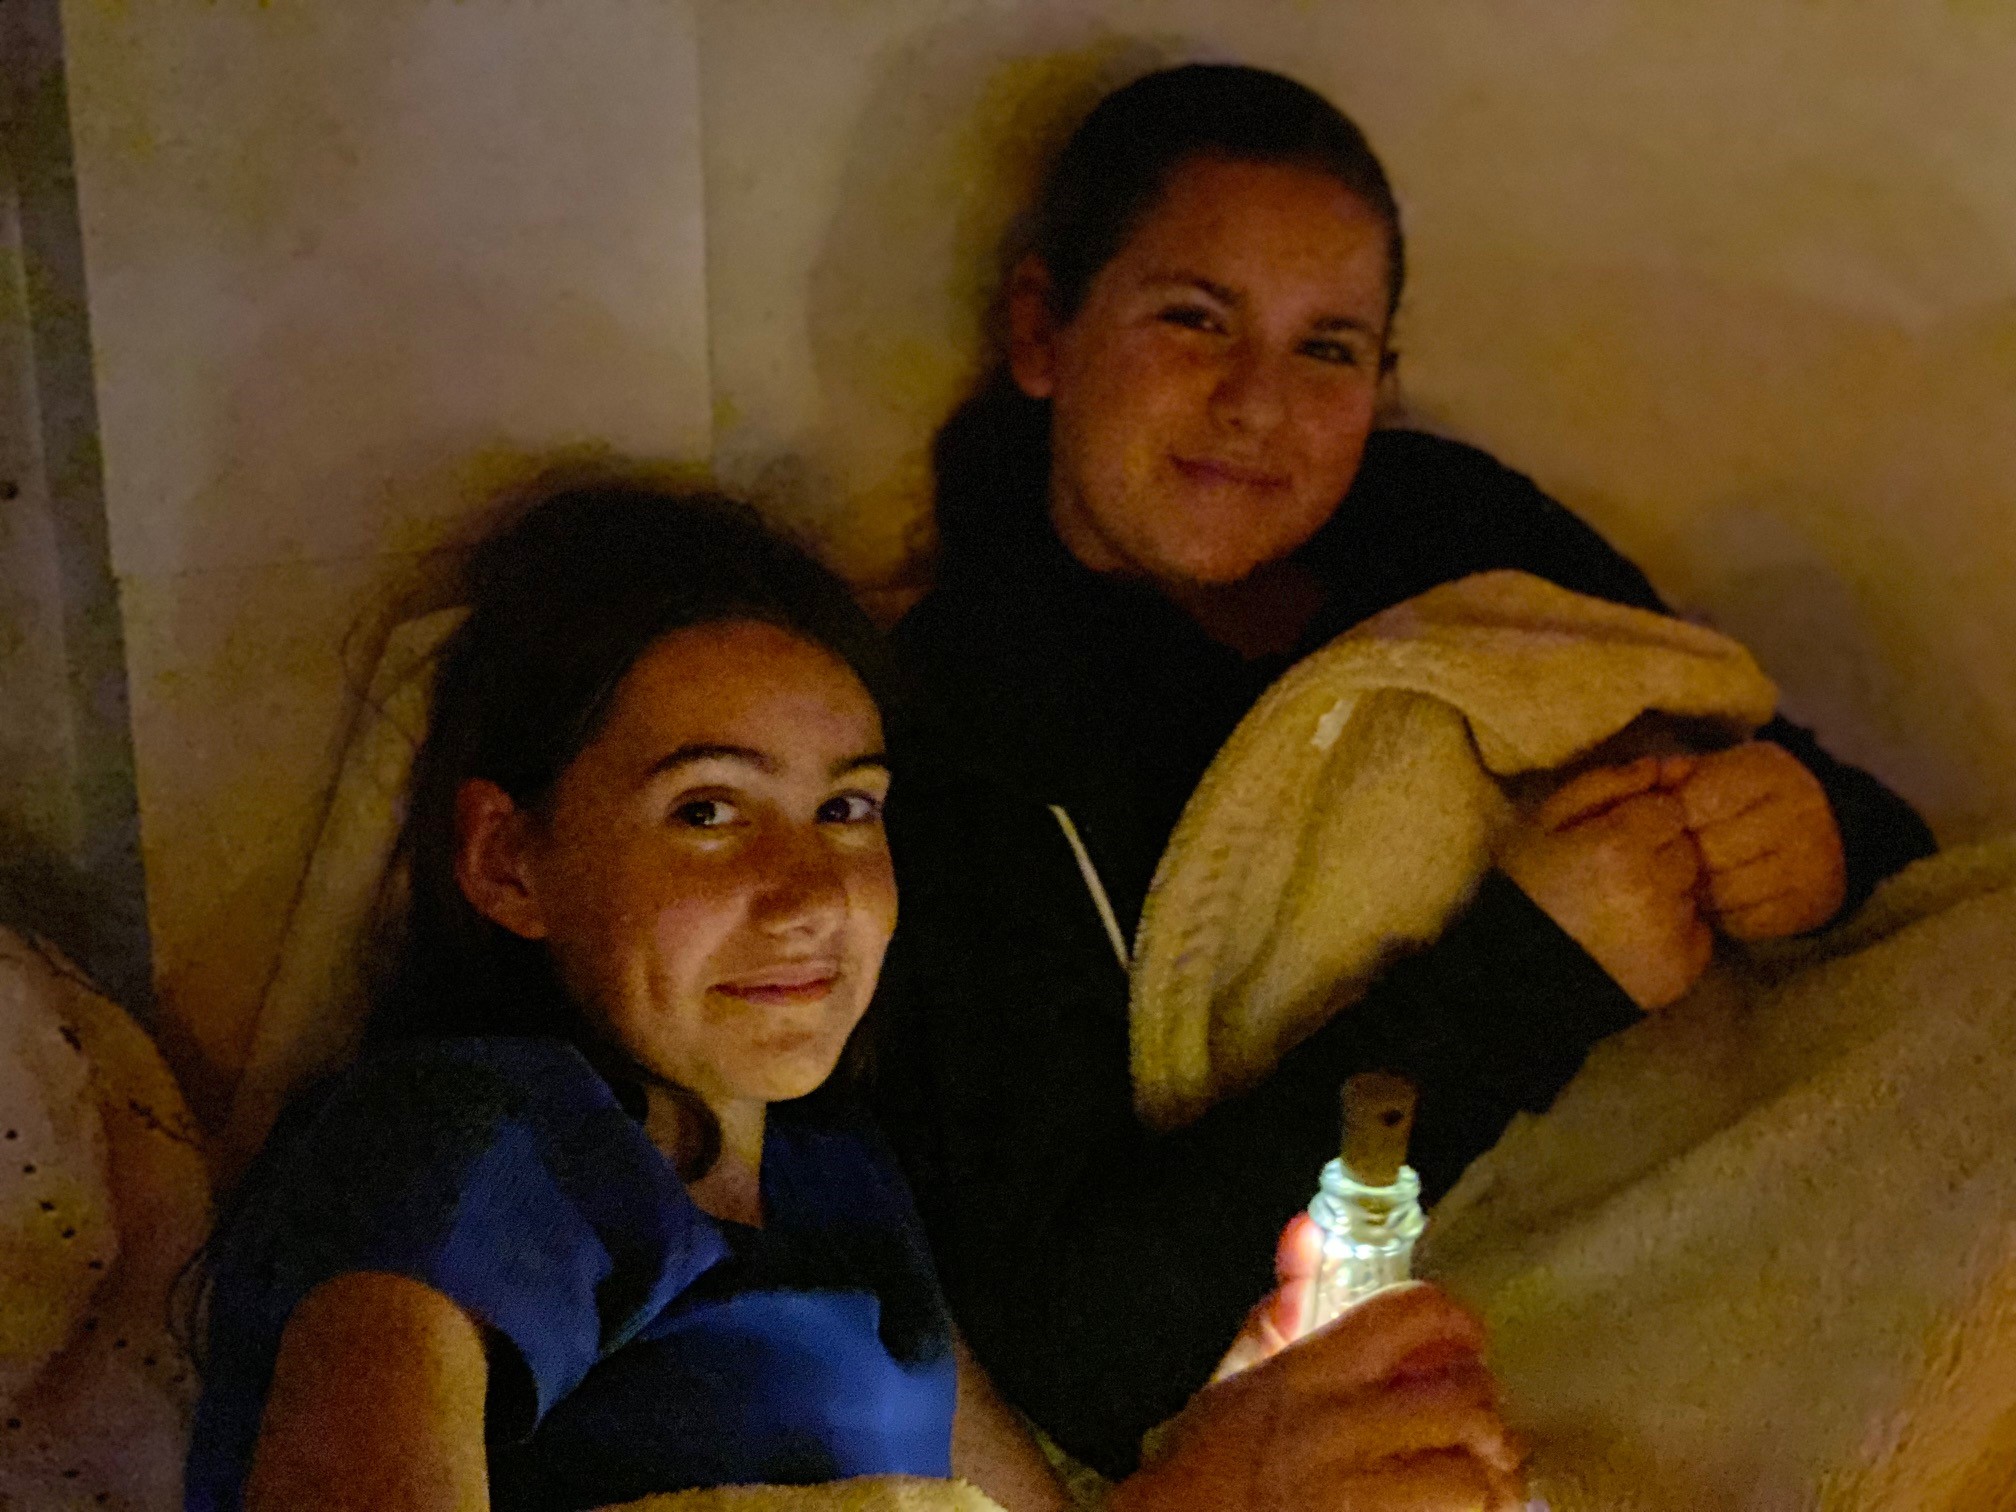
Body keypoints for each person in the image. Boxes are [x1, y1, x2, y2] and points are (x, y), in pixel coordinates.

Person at [871, 62, 1940, 1480]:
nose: (1257, 404)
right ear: (1040, 330)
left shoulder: (1451, 527)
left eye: (1328, 349)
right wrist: (1539, 965)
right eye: (1195, 320)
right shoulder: (963, 720)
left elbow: (1836, 806)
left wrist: (1811, 834)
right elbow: (1086, 1344)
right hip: (1452, 1287)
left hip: (1717, 1122)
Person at [183, 485, 1526, 1512]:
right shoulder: (468, 1146)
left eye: (847, 810)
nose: (809, 894)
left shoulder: (842, 1182)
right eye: (708, 811)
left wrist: (1257, 1433)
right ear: (507, 861)